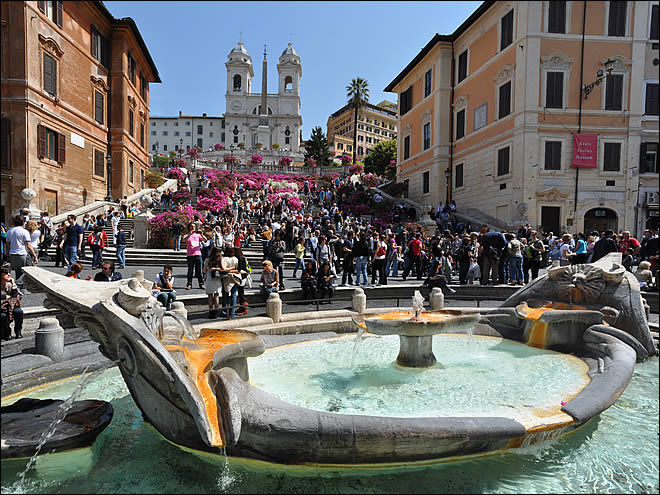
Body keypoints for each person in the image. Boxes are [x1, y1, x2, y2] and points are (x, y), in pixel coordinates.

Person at [6, 215, 37, 289]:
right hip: (22, 253)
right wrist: (34, 255)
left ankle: (18, 287)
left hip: (12, 253)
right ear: (23, 222)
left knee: (18, 271)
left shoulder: (9, 231)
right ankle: (19, 284)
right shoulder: (24, 231)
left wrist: (7, 255)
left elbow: (7, 245)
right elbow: (28, 245)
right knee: (27, 270)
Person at [1, 263, 23, 340]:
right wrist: (5, 297)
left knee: (18, 312)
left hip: (12, 305)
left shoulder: (9, 284)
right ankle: (7, 332)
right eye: (6, 273)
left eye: (9, 273)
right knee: (3, 316)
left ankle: (18, 331)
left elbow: (15, 296)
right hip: (2, 307)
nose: (9, 275)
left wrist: (13, 284)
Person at [203, 247, 225, 318]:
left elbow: (204, 270)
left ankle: (211, 311)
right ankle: (216, 311)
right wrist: (216, 268)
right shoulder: (220, 259)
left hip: (209, 278)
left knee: (210, 296)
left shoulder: (207, 259)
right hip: (217, 279)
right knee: (216, 295)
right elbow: (223, 269)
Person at [184, 222, 206, 290]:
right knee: (190, 270)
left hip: (198, 254)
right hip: (190, 254)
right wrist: (190, 234)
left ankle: (201, 284)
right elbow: (184, 240)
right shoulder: (186, 235)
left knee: (199, 270)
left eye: (194, 227)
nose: (193, 228)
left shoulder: (198, 235)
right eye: (191, 226)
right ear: (189, 227)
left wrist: (202, 234)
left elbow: (205, 239)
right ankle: (189, 284)